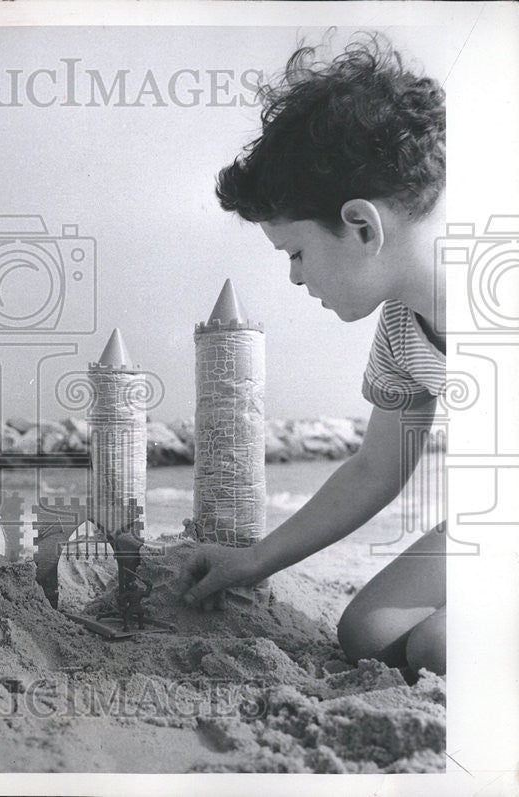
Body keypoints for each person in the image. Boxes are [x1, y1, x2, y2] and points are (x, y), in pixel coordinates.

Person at [181, 35, 447, 675]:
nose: (297, 279)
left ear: (361, 225)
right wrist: (255, 559)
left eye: (295, 253)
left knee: (441, 647)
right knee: (369, 634)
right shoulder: (401, 334)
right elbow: (375, 469)